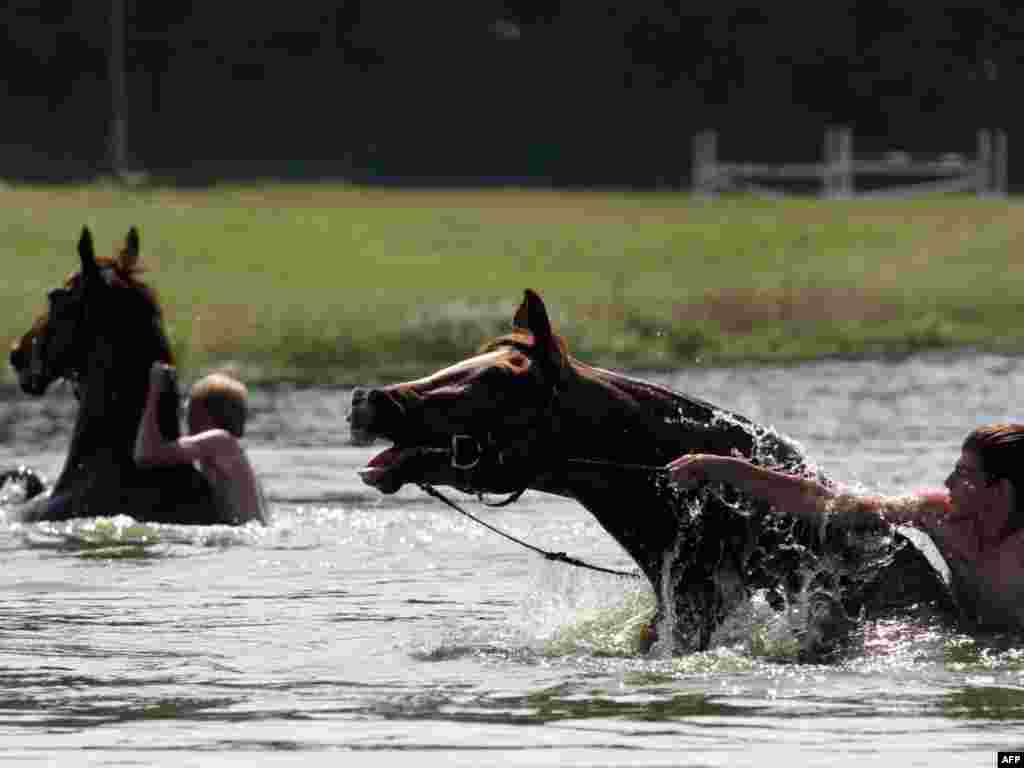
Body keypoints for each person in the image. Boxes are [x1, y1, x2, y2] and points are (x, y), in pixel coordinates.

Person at [666, 423, 1024, 631]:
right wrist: (723, 468)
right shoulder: (939, 514)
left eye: (964, 475)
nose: (947, 482)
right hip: (967, 634)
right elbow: (828, 503)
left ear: (1002, 489)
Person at [135, 362, 266, 523]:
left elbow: (146, 454)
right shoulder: (231, 450)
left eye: (188, 409)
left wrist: (153, 390)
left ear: (202, 412)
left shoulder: (219, 440)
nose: (186, 417)